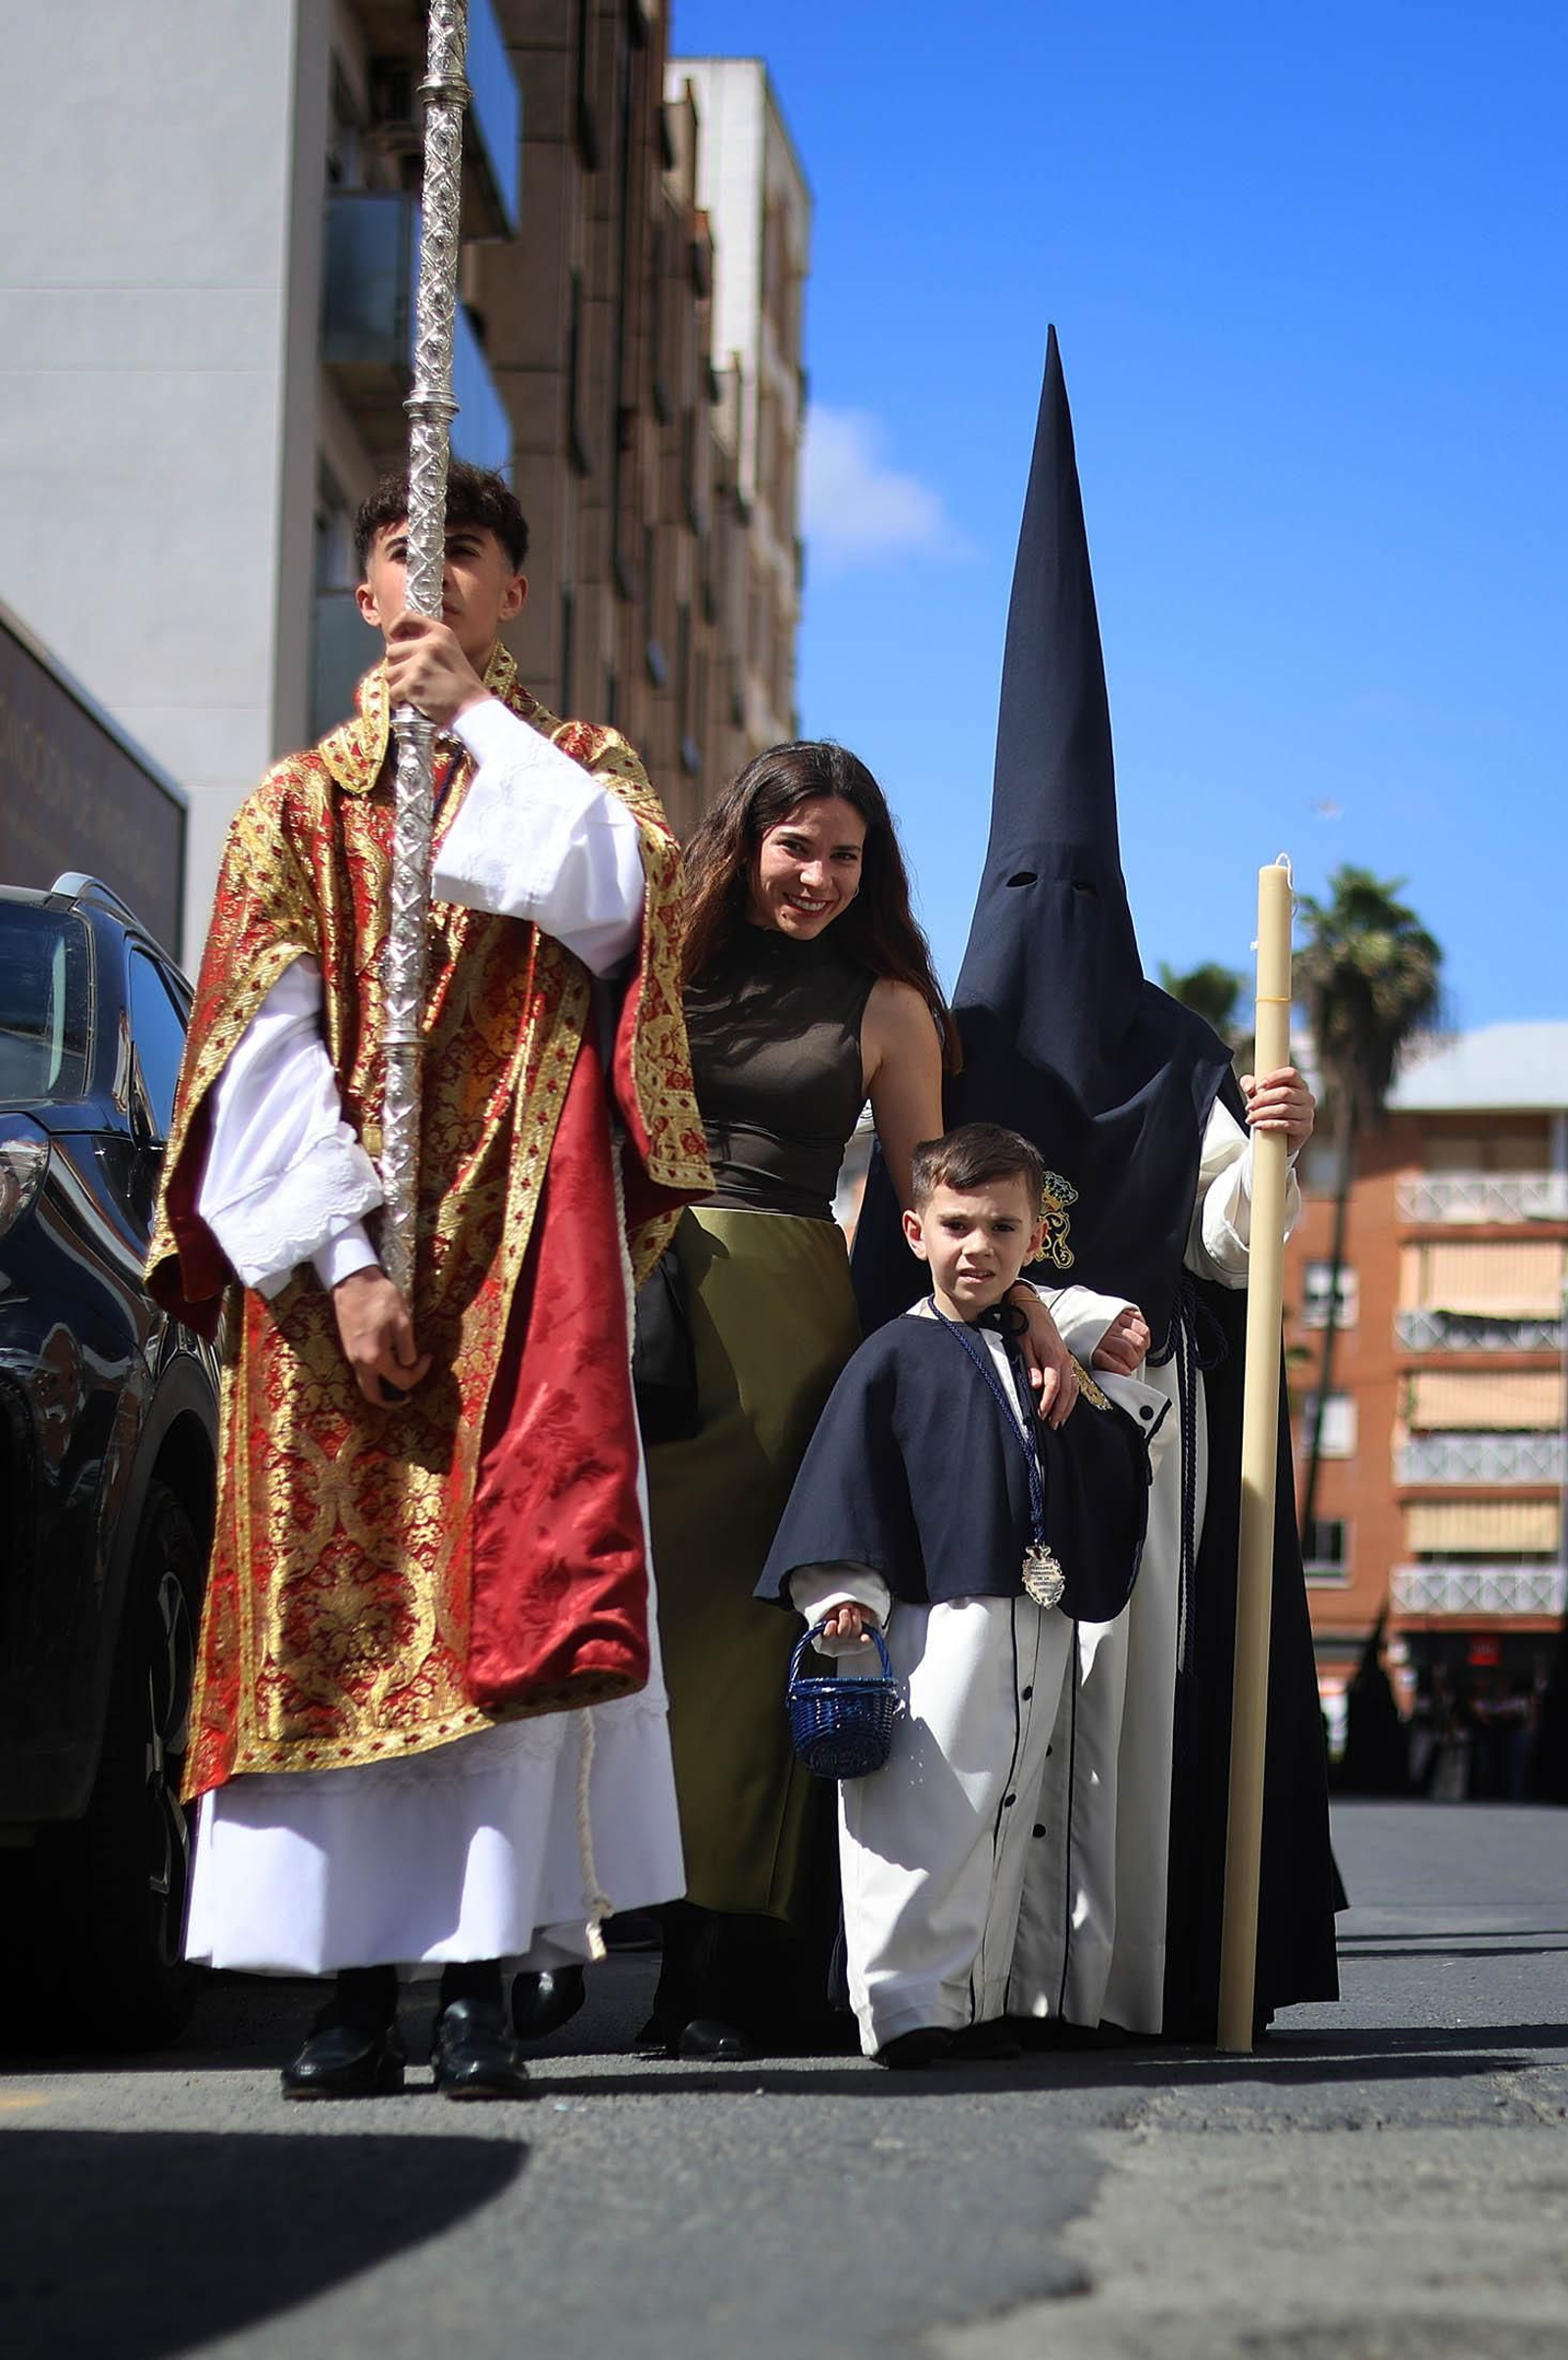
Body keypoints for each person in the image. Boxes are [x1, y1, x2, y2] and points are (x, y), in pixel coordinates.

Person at [147, 462, 711, 2099]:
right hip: (332, 1282)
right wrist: (342, 1264)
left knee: (500, 1615)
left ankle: (479, 1976)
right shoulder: (292, 807)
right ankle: (346, 1988)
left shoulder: (578, 767)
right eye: (405, 552)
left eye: (465, 553)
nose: (434, 579)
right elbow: (259, 1051)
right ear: (364, 591)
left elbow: (623, 909)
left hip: (526, 1262)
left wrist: (480, 730)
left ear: (511, 591)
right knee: (335, 1620)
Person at [853, 329, 1340, 2041]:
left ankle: (1115, 1982)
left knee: (1124, 1719)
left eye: (1076, 895)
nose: (1049, 927)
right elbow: (890, 1241)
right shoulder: (938, 1041)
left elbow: (1230, 1242)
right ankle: (959, 1983)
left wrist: (1273, 1134)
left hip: (1142, 1435)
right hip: (969, 1430)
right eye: (1025, 893)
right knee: (964, 1708)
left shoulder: (1178, 1044)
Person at [636, 743, 1079, 2061]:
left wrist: (1025, 1299)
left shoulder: (888, 1005)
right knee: (621, 1619)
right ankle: (565, 1928)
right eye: (796, 846)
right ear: (744, 842)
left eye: (845, 854)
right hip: (623, 1295)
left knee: (743, 1643)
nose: (818, 875)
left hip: (779, 1319)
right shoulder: (656, 961)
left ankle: (726, 1967)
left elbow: (930, 1193)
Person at [757, 1123, 1170, 2066]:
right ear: (915, 1232)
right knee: (918, 1814)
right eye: (957, 1226)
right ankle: (905, 2009)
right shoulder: (894, 1355)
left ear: (1035, 1239)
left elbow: (1104, 1464)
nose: (978, 1247)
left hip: (1032, 1617)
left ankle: (972, 2003)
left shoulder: (1040, 1359)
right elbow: (847, 1483)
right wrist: (843, 1597)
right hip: (931, 1625)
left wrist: (1102, 1383)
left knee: (1002, 1810)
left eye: (1002, 1228)